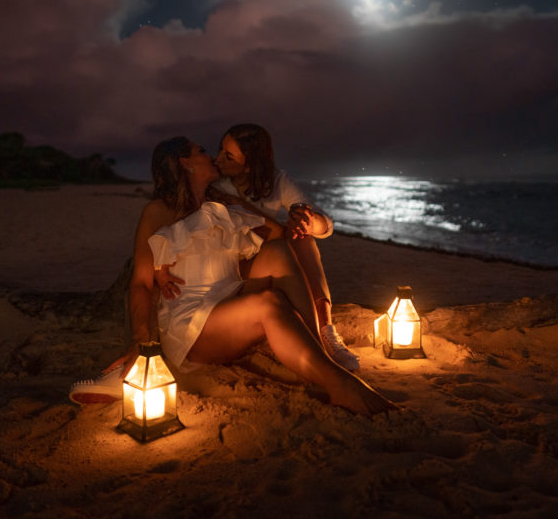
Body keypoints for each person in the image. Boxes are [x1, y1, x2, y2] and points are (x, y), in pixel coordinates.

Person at [69, 136, 393, 416]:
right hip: (193, 322)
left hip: (230, 297)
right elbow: (140, 283)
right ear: (185, 163)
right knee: (269, 302)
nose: (210, 155)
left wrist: (309, 220)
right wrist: (141, 339)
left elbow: (286, 234)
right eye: (201, 151)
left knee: (279, 251)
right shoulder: (158, 212)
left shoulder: (222, 202)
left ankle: (320, 352)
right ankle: (338, 384)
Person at [212, 123, 360, 371]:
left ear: (250, 164)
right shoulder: (215, 185)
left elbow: (326, 224)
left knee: (302, 237)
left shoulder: (275, 181)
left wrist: (308, 220)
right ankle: (317, 342)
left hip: (270, 265)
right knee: (281, 244)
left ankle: (326, 330)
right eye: (220, 151)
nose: (218, 160)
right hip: (234, 275)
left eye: (228, 156)